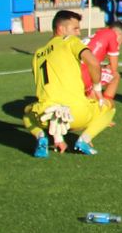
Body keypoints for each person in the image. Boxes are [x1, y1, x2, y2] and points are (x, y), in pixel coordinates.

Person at [22, 10, 113, 157]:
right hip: (75, 114)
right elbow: (94, 63)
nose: (78, 33)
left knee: (28, 114)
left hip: (46, 115)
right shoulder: (70, 41)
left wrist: (57, 137)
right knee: (109, 107)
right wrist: (97, 89)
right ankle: (84, 140)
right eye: (75, 28)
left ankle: (42, 137)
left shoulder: (38, 53)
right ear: (61, 29)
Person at [81, 20, 122, 105]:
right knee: (115, 76)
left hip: (73, 71)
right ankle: (106, 104)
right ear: (119, 35)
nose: (119, 45)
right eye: (121, 42)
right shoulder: (112, 36)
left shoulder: (98, 33)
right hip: (84, 75)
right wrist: (109, 66)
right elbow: (114, 67)